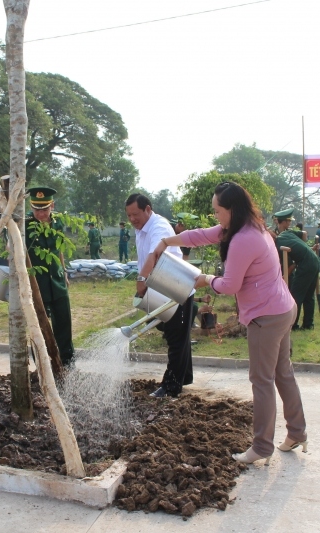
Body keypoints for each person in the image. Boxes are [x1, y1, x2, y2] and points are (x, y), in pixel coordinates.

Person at [153, 182, 306, 464]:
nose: (215, 217)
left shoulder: (243, 239)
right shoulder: (248, 227)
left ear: (231, 210)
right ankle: (297, 431)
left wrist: (205, 280)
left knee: (262, 380)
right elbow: (200, 236)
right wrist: (167, 242)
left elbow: (230, 285)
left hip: (266, 317)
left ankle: (261, 447)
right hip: (283, 308)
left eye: (217, 211)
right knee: (283, 372)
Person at [125, 193, 193, 397]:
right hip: (162, 289)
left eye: (135, 214)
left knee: (176, 339)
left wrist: (141, 281)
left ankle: (171, 387)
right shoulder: (141, 228)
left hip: (176, 289)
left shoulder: (159, 226)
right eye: (128, 215)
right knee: (177, 335)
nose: (132, 219)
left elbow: (156, 254)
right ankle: (185, 375)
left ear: (148, 209)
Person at [25, 187, 75, 366]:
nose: (40, 213)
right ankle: (43, 364)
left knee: (63, 323)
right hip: (37, 284)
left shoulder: (58, 224)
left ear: (52, 206)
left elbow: (59, 250)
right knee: (39, 326)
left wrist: (64, 272)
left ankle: (68, 362)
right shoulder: (24, 226)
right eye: (37, 209)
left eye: (44, 209)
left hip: (57, 281)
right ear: (31, 207)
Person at [275, 209, 319, 331]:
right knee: (309, 296)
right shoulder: (287, 234)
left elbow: (286, 264)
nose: (289, 224)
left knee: (296, 295)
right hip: (313, 260)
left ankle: (293, 324)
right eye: (287, 221)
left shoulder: (279, 242)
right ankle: (308, 324)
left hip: (306, 263)